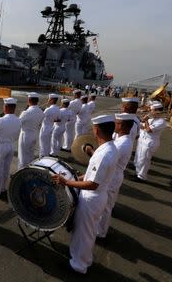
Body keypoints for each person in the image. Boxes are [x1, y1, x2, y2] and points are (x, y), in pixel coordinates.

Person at [52, 115, 118, 274]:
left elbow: (92, 184)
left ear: (97, 129)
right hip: (97, 197)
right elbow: (92, 177)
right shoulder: (110, 148)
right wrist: (75, 177)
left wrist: (66, 182)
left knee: (83, 233)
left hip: (92, 198)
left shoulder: (103, 154)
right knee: (87, 232)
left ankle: (78, 266)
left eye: (93, 128)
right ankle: (83, 259)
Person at [97, 113, 135, 238]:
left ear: (122, 125)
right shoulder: (122, 139)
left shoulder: (122, 143)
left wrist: (90, 151)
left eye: (116, 122)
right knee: (108, 204)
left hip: (112, 177)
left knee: (105, 207)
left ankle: (100, 232)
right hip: (114, 175)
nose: (114, 124)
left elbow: (107, 158)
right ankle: (101, 228)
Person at [0, 97, 21, 195]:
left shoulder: (1, 120)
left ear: (5, 107)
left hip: (0, 146)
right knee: (6, 168)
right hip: (11, 146)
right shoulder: (18, 120)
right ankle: (3, 188)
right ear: (14, 108)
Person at [133, 103, 167, 182]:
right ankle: (137, 173)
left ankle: (141, 177)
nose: (150, 112)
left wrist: (146, 120)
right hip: (143, 140)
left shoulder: (161, 121)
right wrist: (137, 121)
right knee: (139, 158)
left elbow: (149, 130)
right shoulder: (152, 119)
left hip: (150, 142)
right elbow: (143, 126)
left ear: (158, 111)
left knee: (145, 160)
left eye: (152, 110)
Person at [18, 92, 44, 169]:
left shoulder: (26, 112)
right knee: (30, 155)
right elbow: (39, 123)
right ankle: (29, 170)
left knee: (22, 156)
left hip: (25, 135)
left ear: (29, 100)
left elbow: (18, 123)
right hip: (35, 134)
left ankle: (21, 172)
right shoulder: (41, 112)